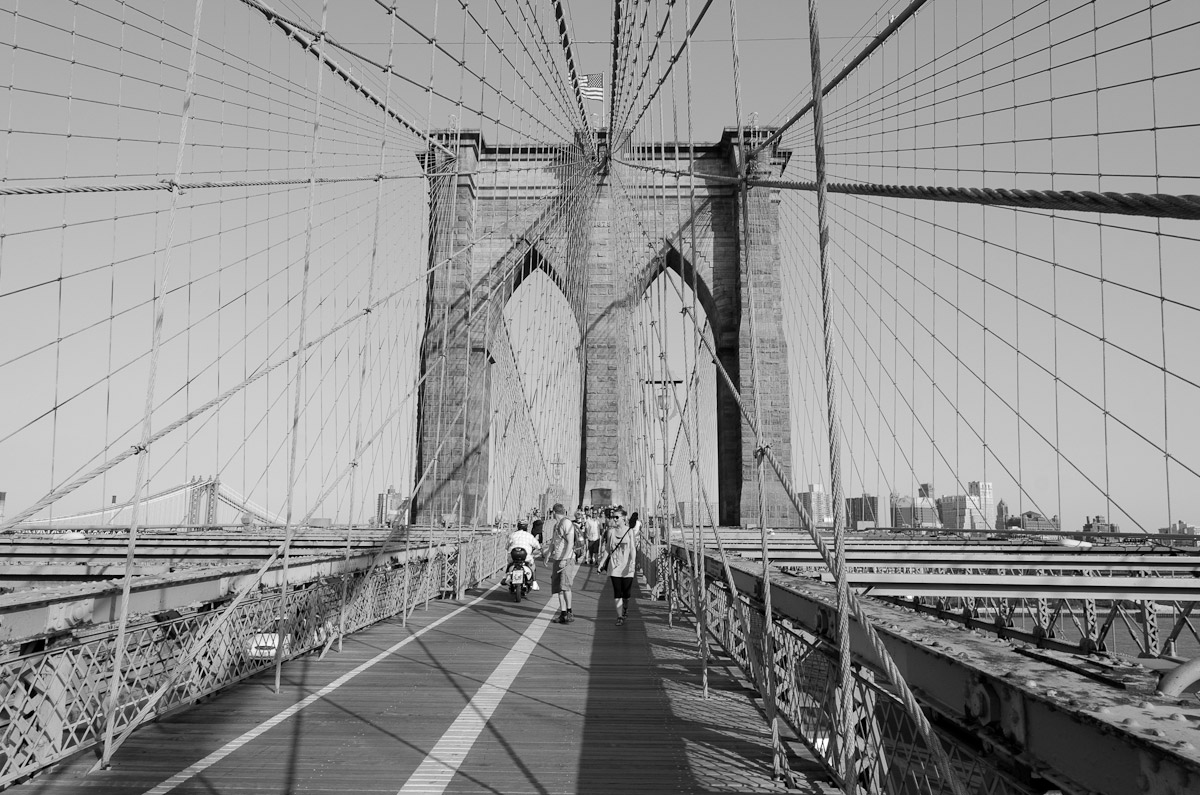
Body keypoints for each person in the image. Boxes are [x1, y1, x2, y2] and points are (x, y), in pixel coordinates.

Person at [604, 511, 640, 625]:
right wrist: (601, 562)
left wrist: (633, 562)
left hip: (627, 565)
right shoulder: (611, 531)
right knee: (617, 592)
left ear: (623, 518)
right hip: (615, 565)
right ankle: (619, 617)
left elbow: (633, 548)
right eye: (613, 517)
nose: (614, 519)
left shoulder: (630, 532)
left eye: (616, 517)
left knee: (626, 593)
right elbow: (607, 549)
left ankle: (625, 607)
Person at [544, 503, 578, 624]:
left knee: (565, 586)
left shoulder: (566, 523)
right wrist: (548, 554)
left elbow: (570, 543)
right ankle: (562, 613)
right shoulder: (556, 525)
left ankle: (569, 611)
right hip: (557, 558)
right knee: (558, 587)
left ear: (554, 512)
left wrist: (564, 559)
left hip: (566, 559)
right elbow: (554, 541)